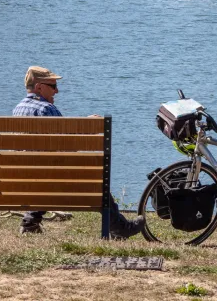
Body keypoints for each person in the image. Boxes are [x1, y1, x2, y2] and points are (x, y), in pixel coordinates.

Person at [13, 66, 145, 238]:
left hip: (24, 178)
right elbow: (65, 145)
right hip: (52, 177)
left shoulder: (18, 109)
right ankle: (120, 228)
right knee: (98, 185)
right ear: (39, 87)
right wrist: (86, 125)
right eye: (53, 86)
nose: (57, 91)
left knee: (46, 175)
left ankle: (30, 222)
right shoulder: (46, 109)